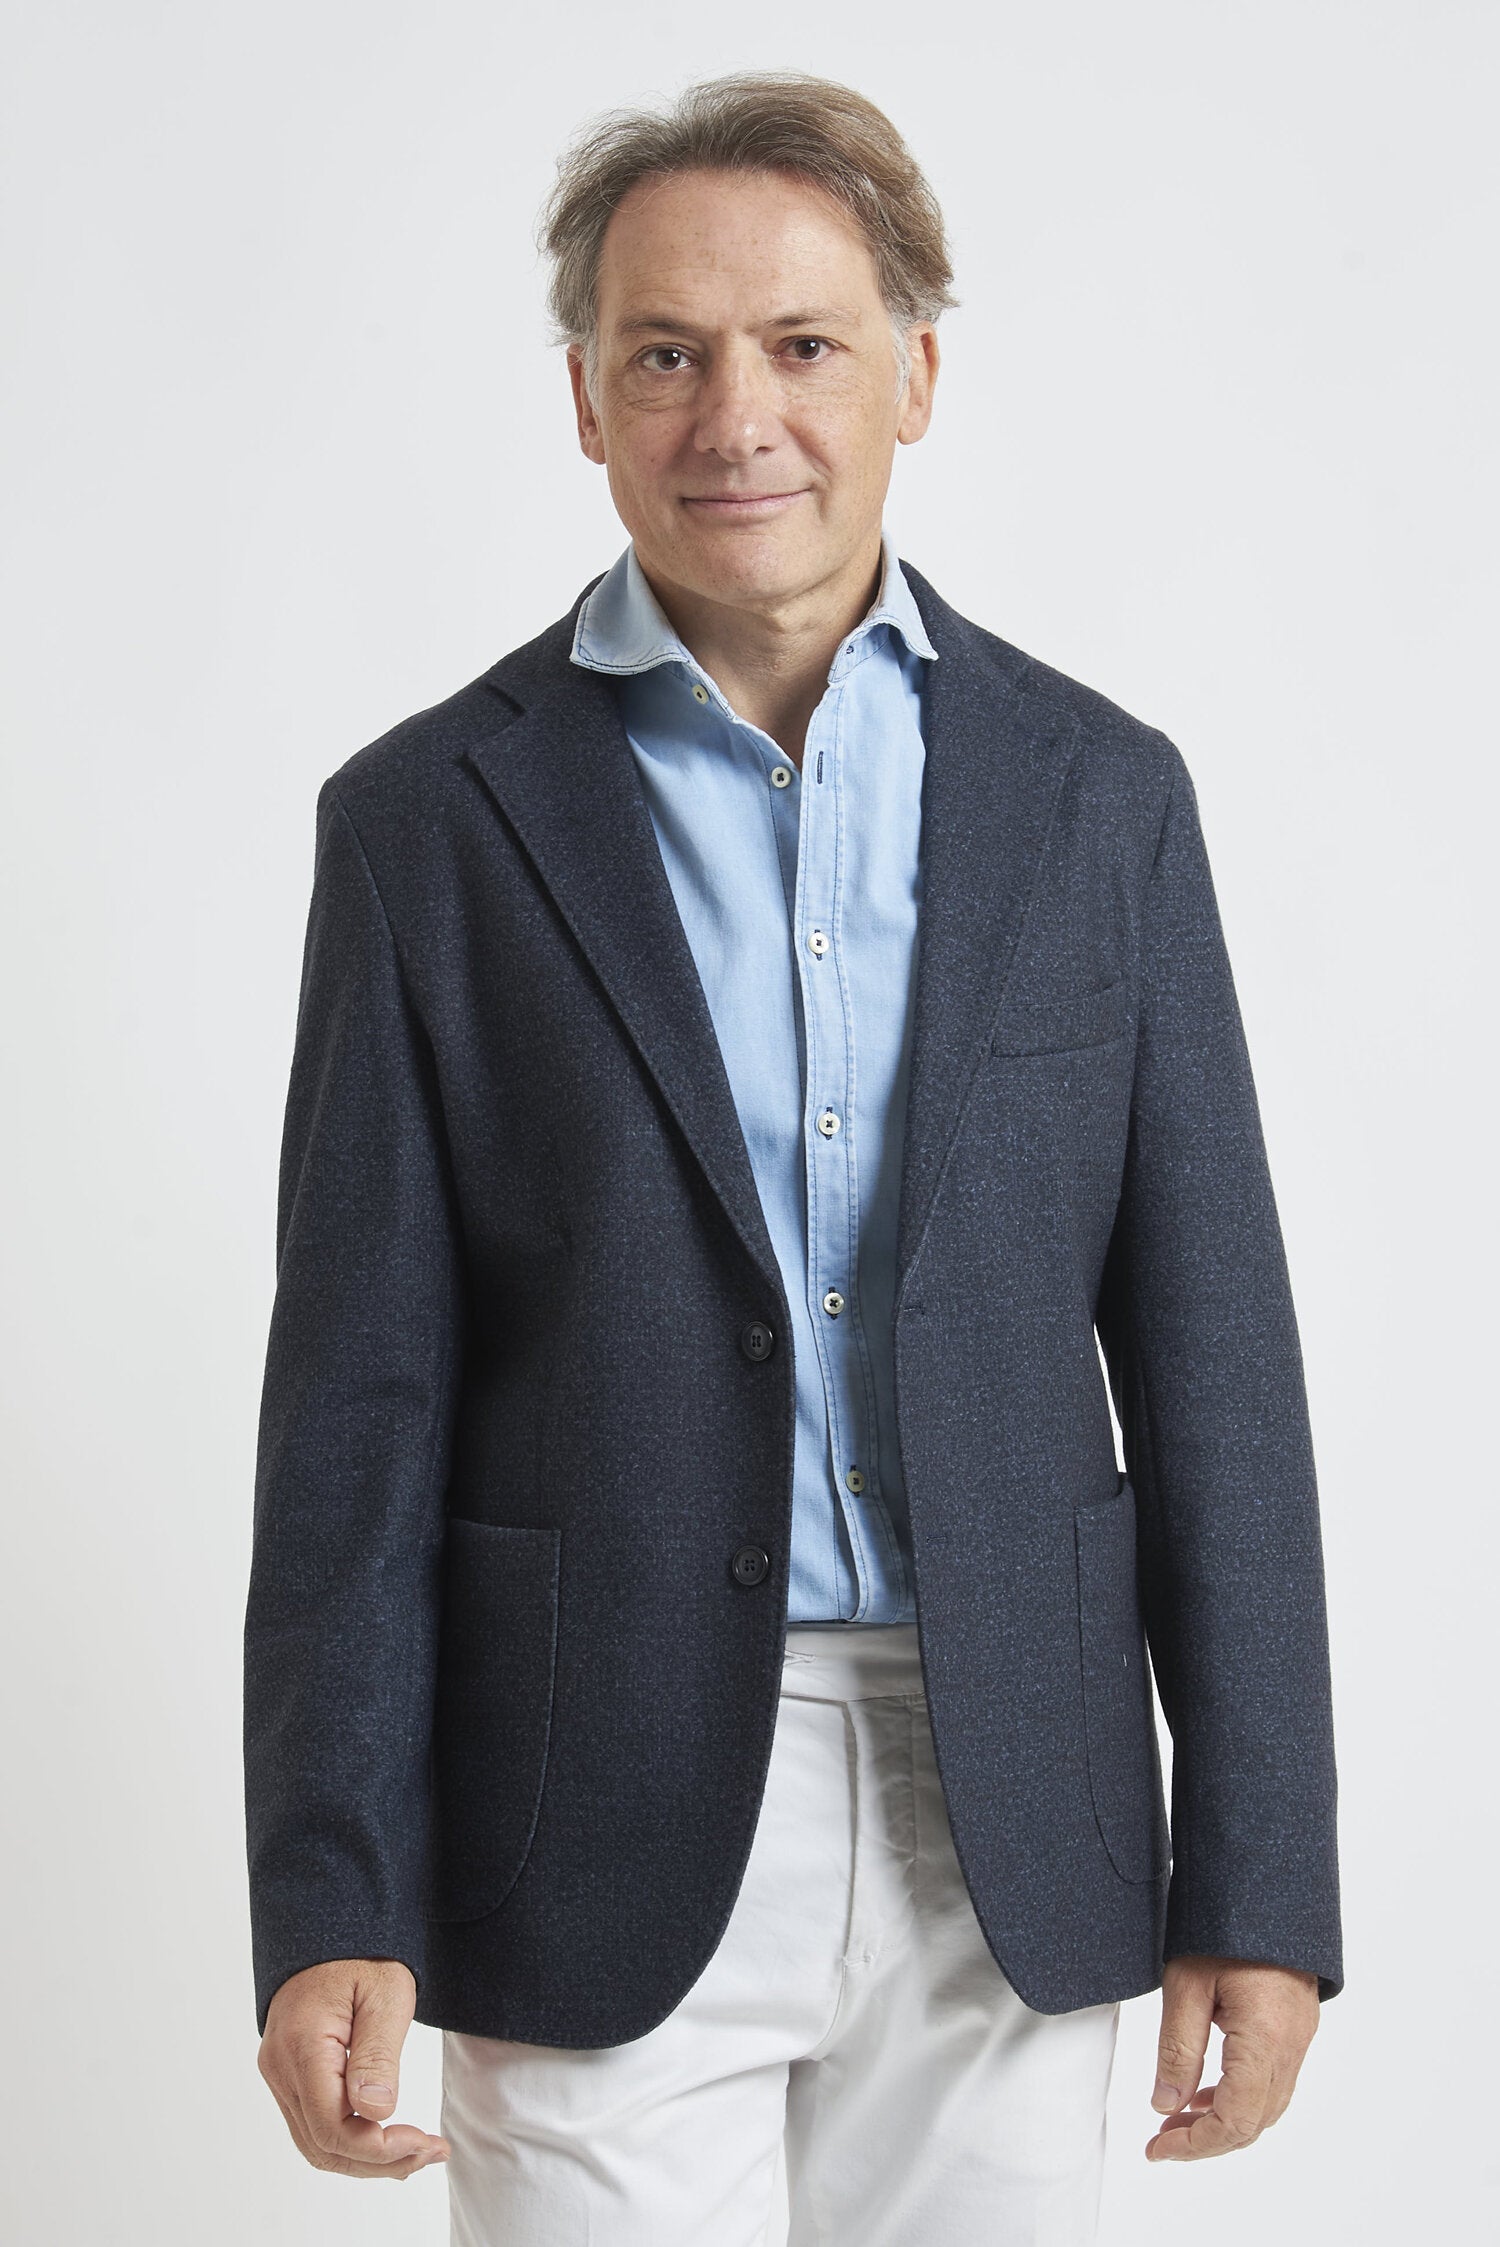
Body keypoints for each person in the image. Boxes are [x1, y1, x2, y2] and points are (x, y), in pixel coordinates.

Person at [244, 69, 1342, 2246]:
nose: (734, 415)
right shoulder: (426, 825)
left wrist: (1267, 1873)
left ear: (915, 376)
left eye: (803, 345)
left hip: (1007, 1795)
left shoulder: (1101, 797)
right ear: (586, 397)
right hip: (585, 1795)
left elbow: (1216, 1358)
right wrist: (330, 1887)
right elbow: (358, 1400)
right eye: (665, 353)